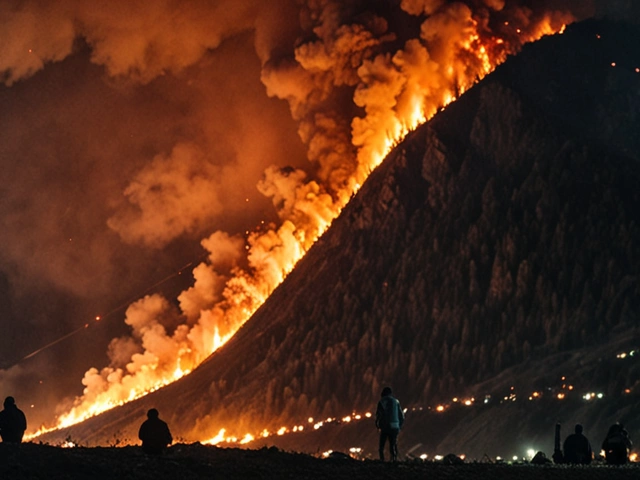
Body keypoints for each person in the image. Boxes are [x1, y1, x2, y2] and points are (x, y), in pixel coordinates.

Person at [375, 386, 404, 462]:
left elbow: (378, 415)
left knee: (382, 446)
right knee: (393, 444)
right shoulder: (396, 401)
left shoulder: (381, 402)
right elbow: (402, 416)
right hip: (395, 426)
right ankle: (394, 459)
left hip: (385, 426)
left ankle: (382, 460)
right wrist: (399, 426)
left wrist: (378, 425)